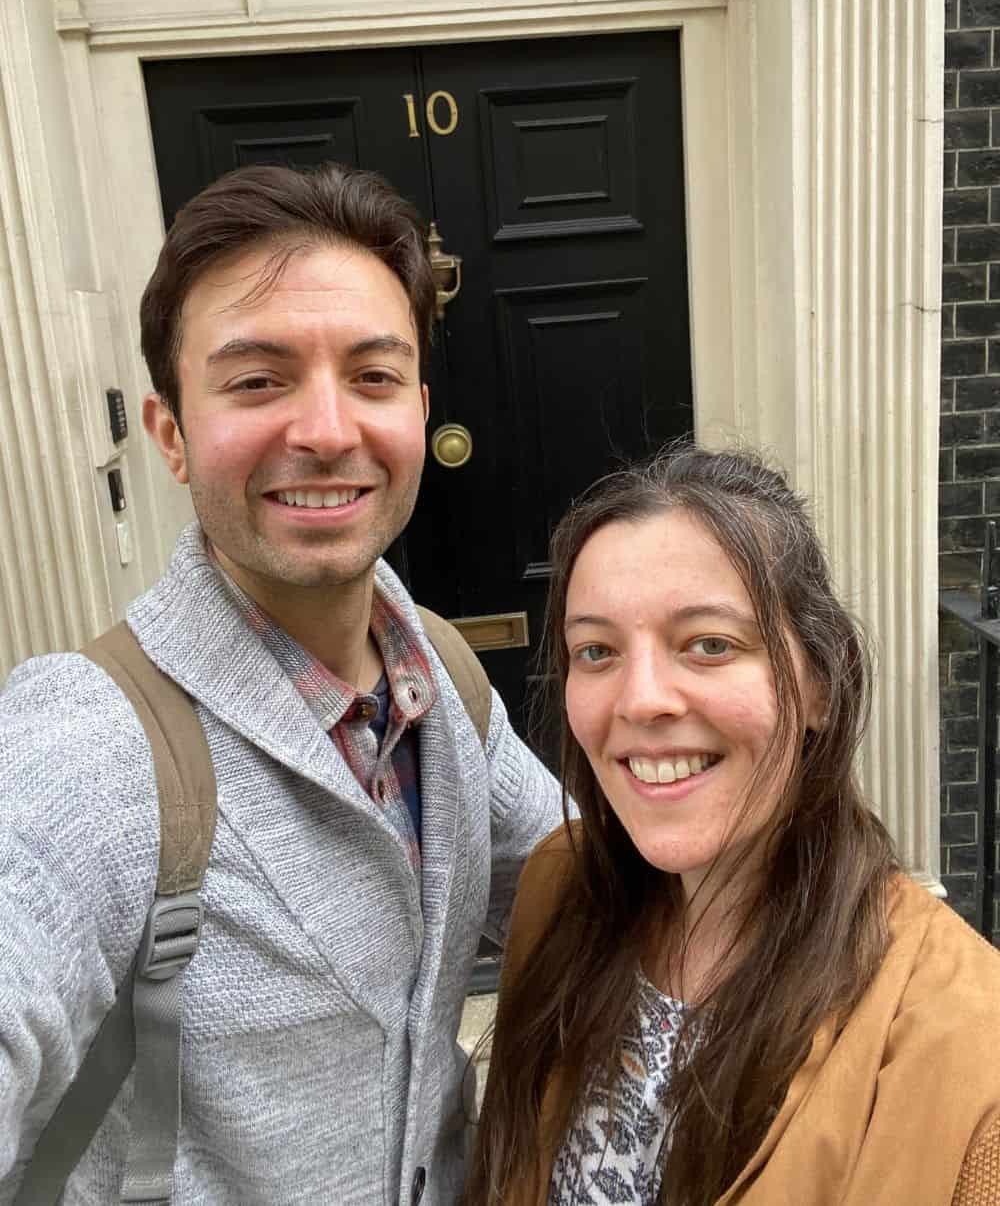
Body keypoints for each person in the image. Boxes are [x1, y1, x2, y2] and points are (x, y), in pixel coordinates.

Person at [0, 162, 562, 1205]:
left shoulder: (435, 675)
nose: (327, 429)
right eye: (258, 380)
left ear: (419, 412)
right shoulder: (85, 744)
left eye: (372, 376)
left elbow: (597, 886)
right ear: (170, 434)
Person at [467, 445, 1000, 1206]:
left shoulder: (967, 1051)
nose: (641, 700)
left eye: (709, 644)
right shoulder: (559, 888)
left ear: (820, 683)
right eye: (597, 650)